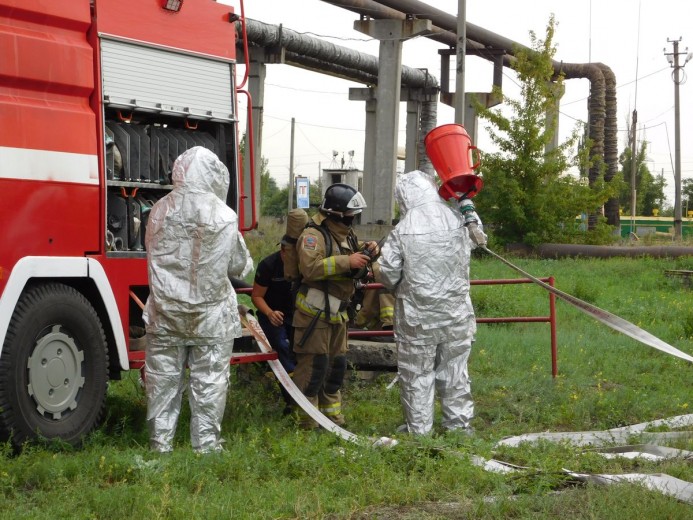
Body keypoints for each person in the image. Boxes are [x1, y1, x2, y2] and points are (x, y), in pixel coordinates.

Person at [143, 146, 253, 453]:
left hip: (166, 314)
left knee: (162, 382)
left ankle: (160, 445)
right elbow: (239, 265)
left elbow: (152, 251)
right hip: (210, 316)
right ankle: (205, 446)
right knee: (209, 382)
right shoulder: (224, 215)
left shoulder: (159, 210)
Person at [379, 169, 486, 436]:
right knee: (455, 370)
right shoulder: (459, 218)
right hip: (456, 316)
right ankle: (458, 427)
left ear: (404, 196)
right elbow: (478, 237)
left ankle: (419, 431)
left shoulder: (403, 229)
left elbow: (387, 272)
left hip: (418, 320)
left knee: (417, 374)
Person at [292, 183, 379, 429]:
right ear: (336, 214)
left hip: (338, 315)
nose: (353, 219)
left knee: (335, 369)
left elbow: (350, 258)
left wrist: (368, 252)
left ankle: (332, 421)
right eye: (350, 215)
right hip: (314, 316)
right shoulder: (313, 235)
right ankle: (307, 423)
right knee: (313, 369)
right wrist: (347, 261)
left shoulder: (344, 234)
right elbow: (309, 268)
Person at [251, 240, 296, 410]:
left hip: (295, 314)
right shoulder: (268, 265)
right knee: (280, 347)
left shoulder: (302, 263)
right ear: (283, 251)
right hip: (270, 315)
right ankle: (291, 400)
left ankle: (301, 395)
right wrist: (269, 313)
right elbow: (256, 296)